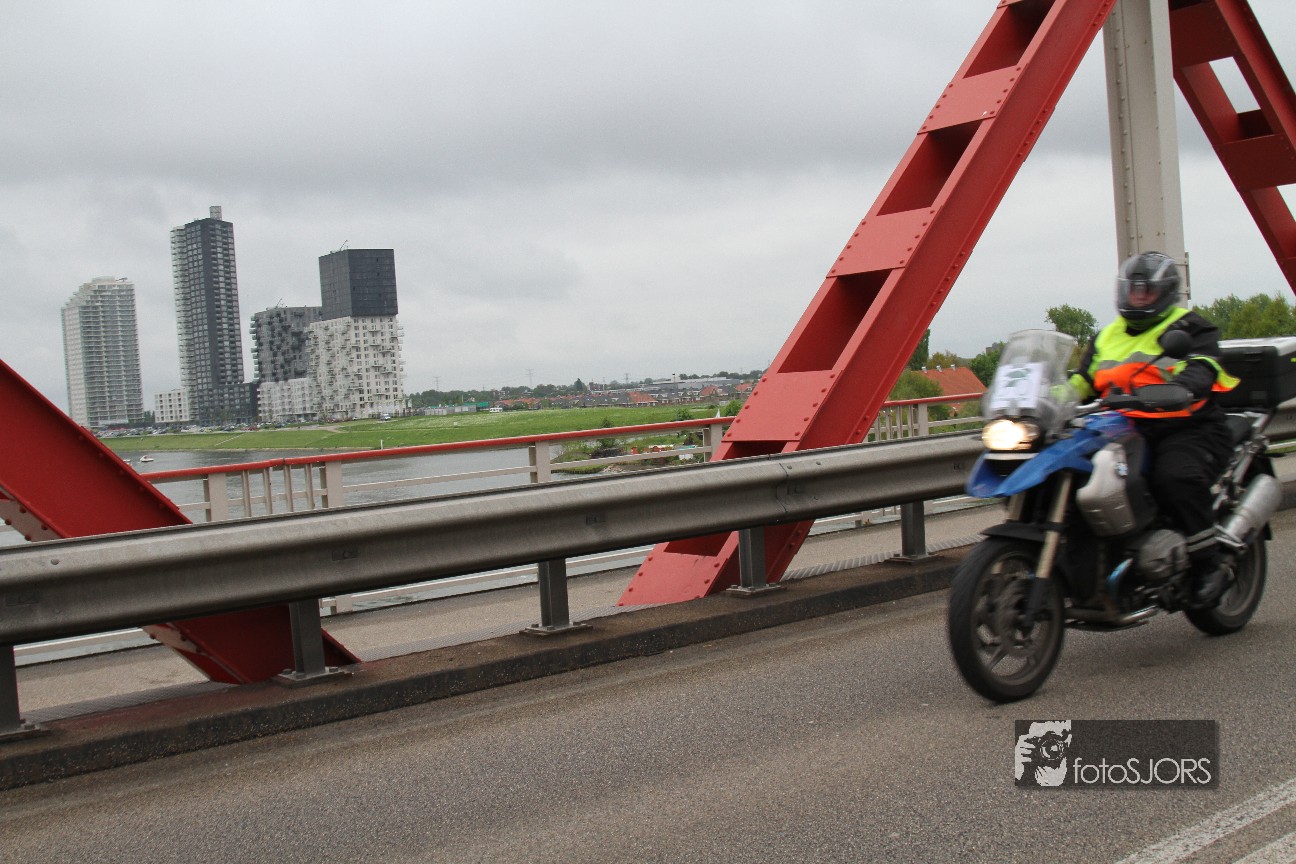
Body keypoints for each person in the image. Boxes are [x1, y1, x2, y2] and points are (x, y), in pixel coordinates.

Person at [1069, 251, 1239, 607]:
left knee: (1174, 478)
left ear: (1165, 292)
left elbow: (1203, 367)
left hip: (1187, 427)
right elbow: (1083, 380)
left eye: (1146, 290)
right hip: (1123, 429)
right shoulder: (1106, 336)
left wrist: (1183, 387)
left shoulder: (1191, 328)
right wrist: (1049, 397)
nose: (1138, 296)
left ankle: (1209, 565)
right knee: (1076, 476)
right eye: (1133, 290)